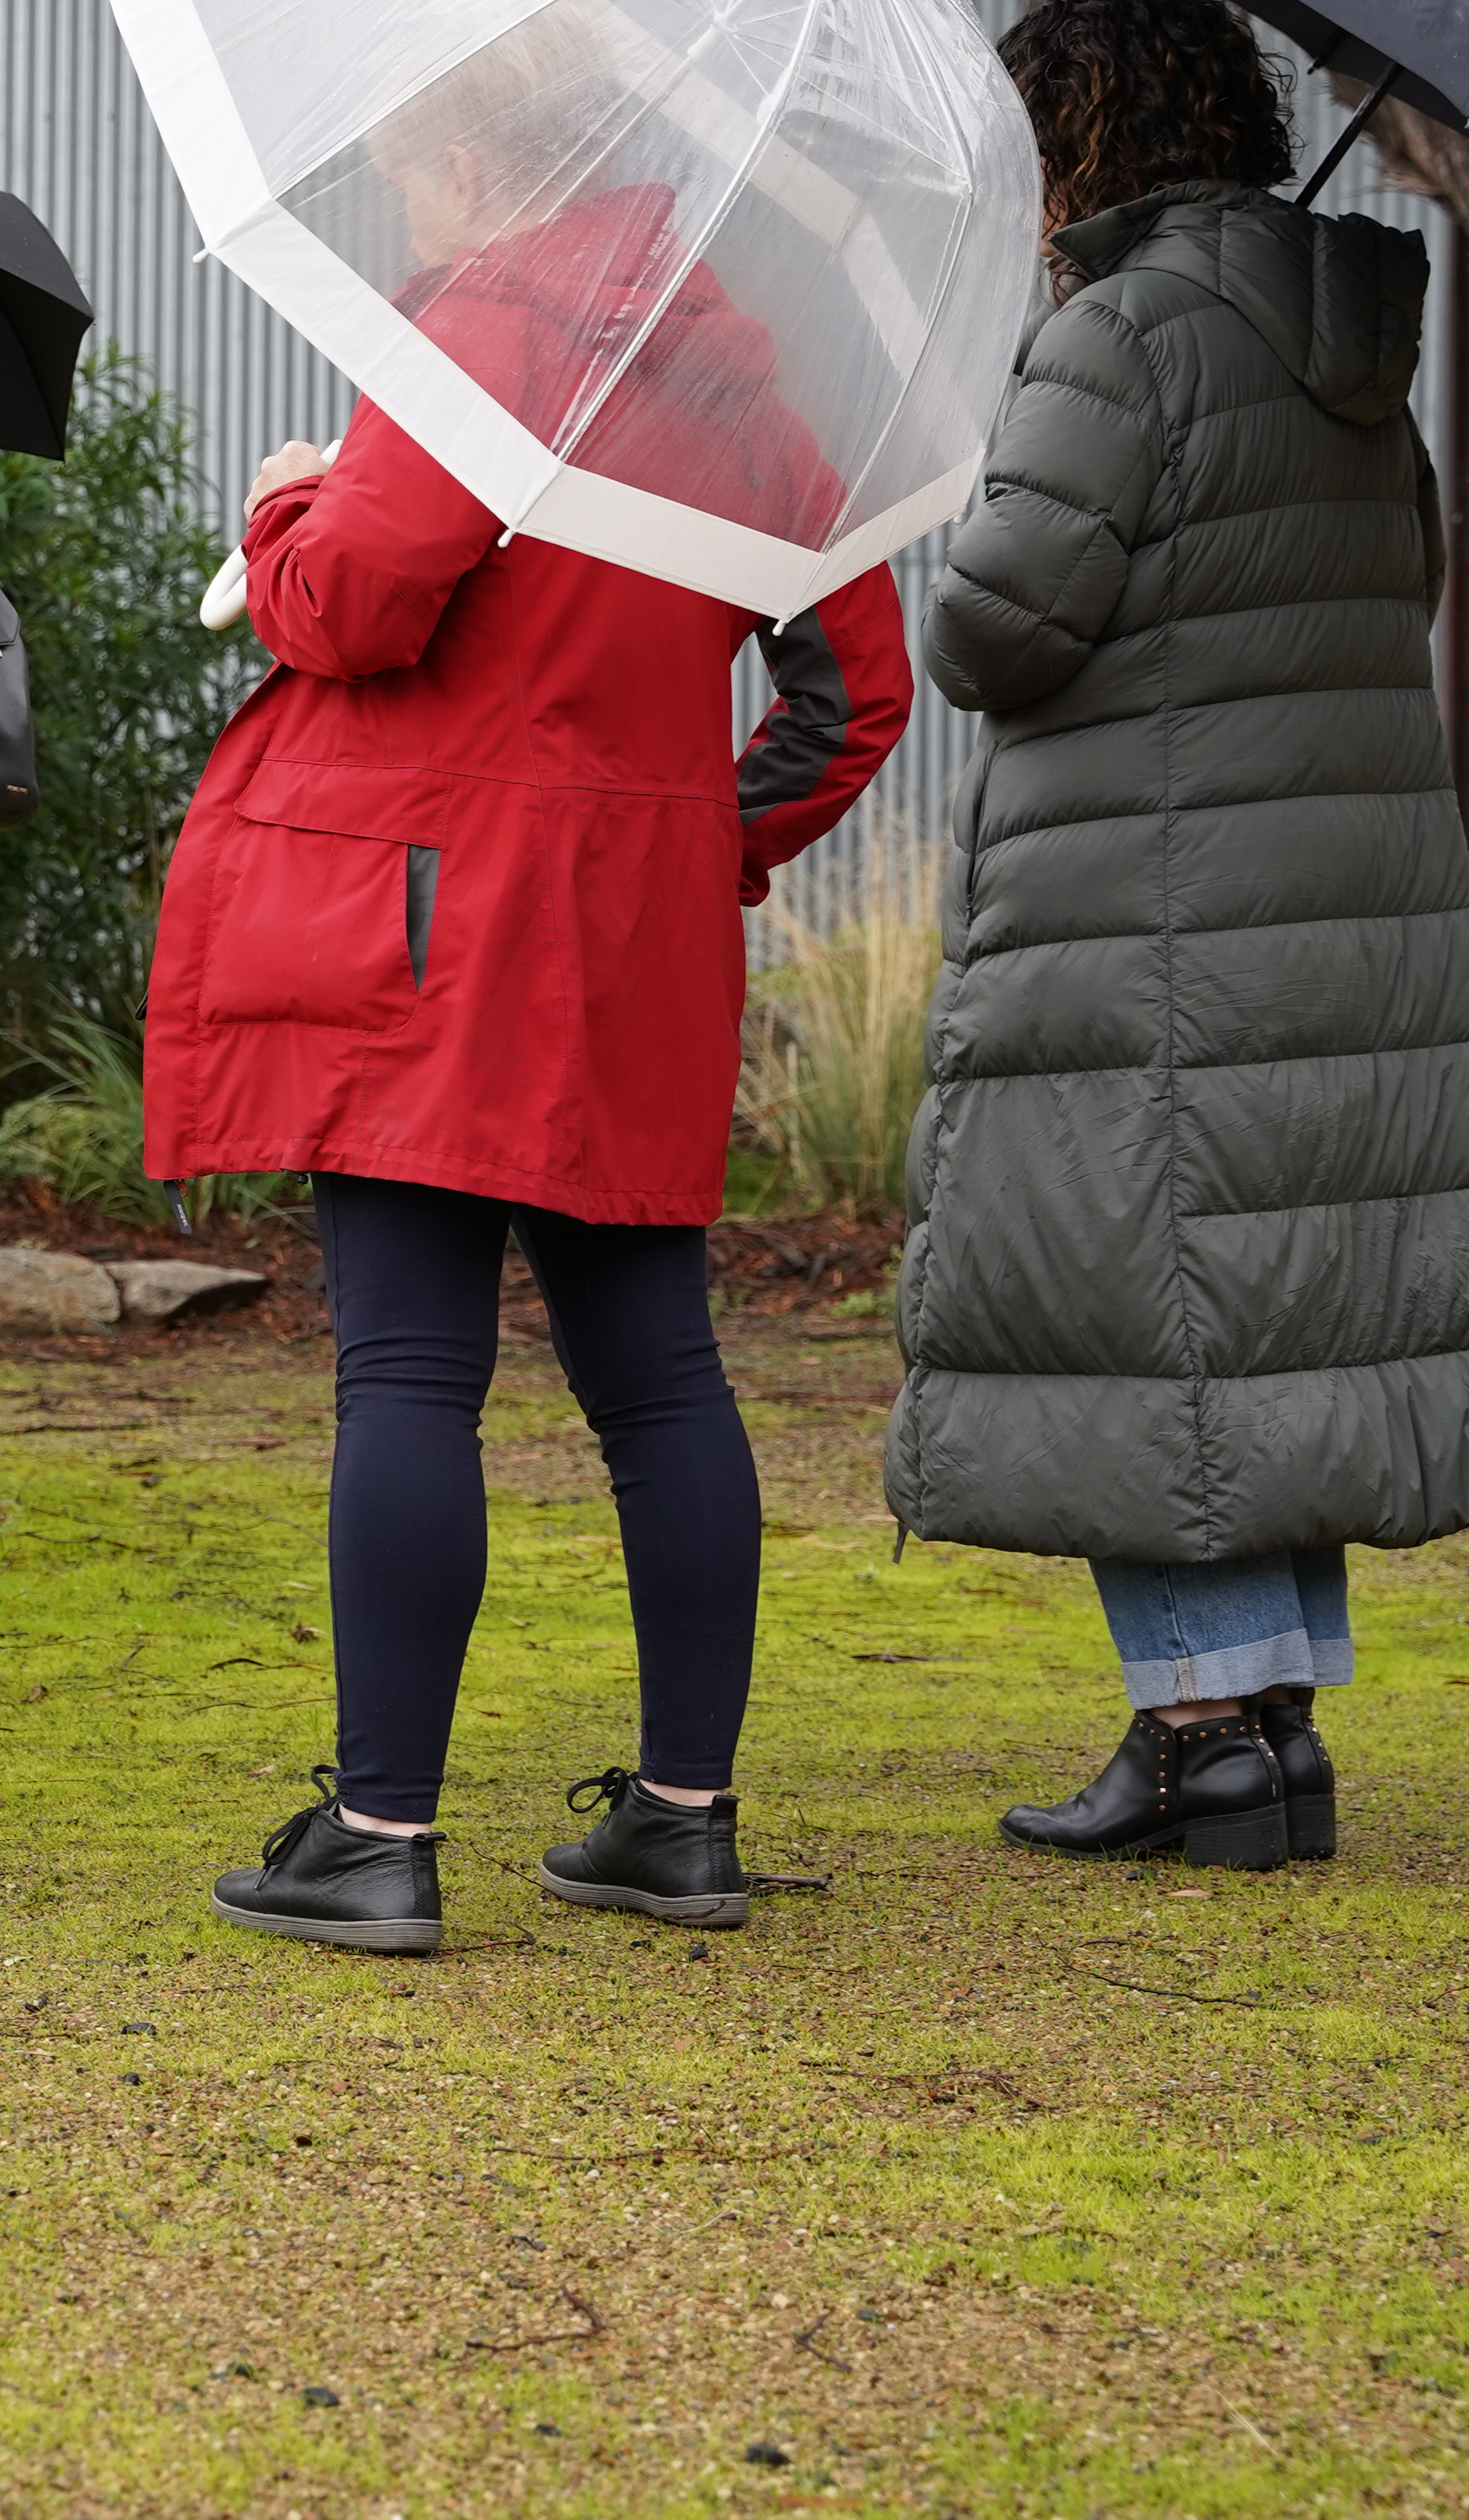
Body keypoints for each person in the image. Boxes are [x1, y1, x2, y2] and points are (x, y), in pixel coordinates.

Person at [166, 96, 914, 1955]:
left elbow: (351, 597)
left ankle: (376, 1828)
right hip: (633, 935)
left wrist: (277, 502)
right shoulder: (740, 383)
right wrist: (684, 848)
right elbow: (857, 691)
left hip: (437, 919)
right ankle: (682, 1816)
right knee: (659, 1373)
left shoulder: (478, 329)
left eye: (411, 167)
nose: (400, 205)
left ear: (486, 154)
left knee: (409, 1368)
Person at [893, 0, 1469, 1871]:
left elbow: (995, 629)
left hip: (1153, 903)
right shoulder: (1339, 334)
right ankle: (1267, 1735)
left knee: (1140, 1299)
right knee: (1257, 1315)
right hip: (1330, 909)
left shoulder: (1120, 335)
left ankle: (1202, 1736)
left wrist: (974, 495)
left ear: (1087, 137)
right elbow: (1402, 579)